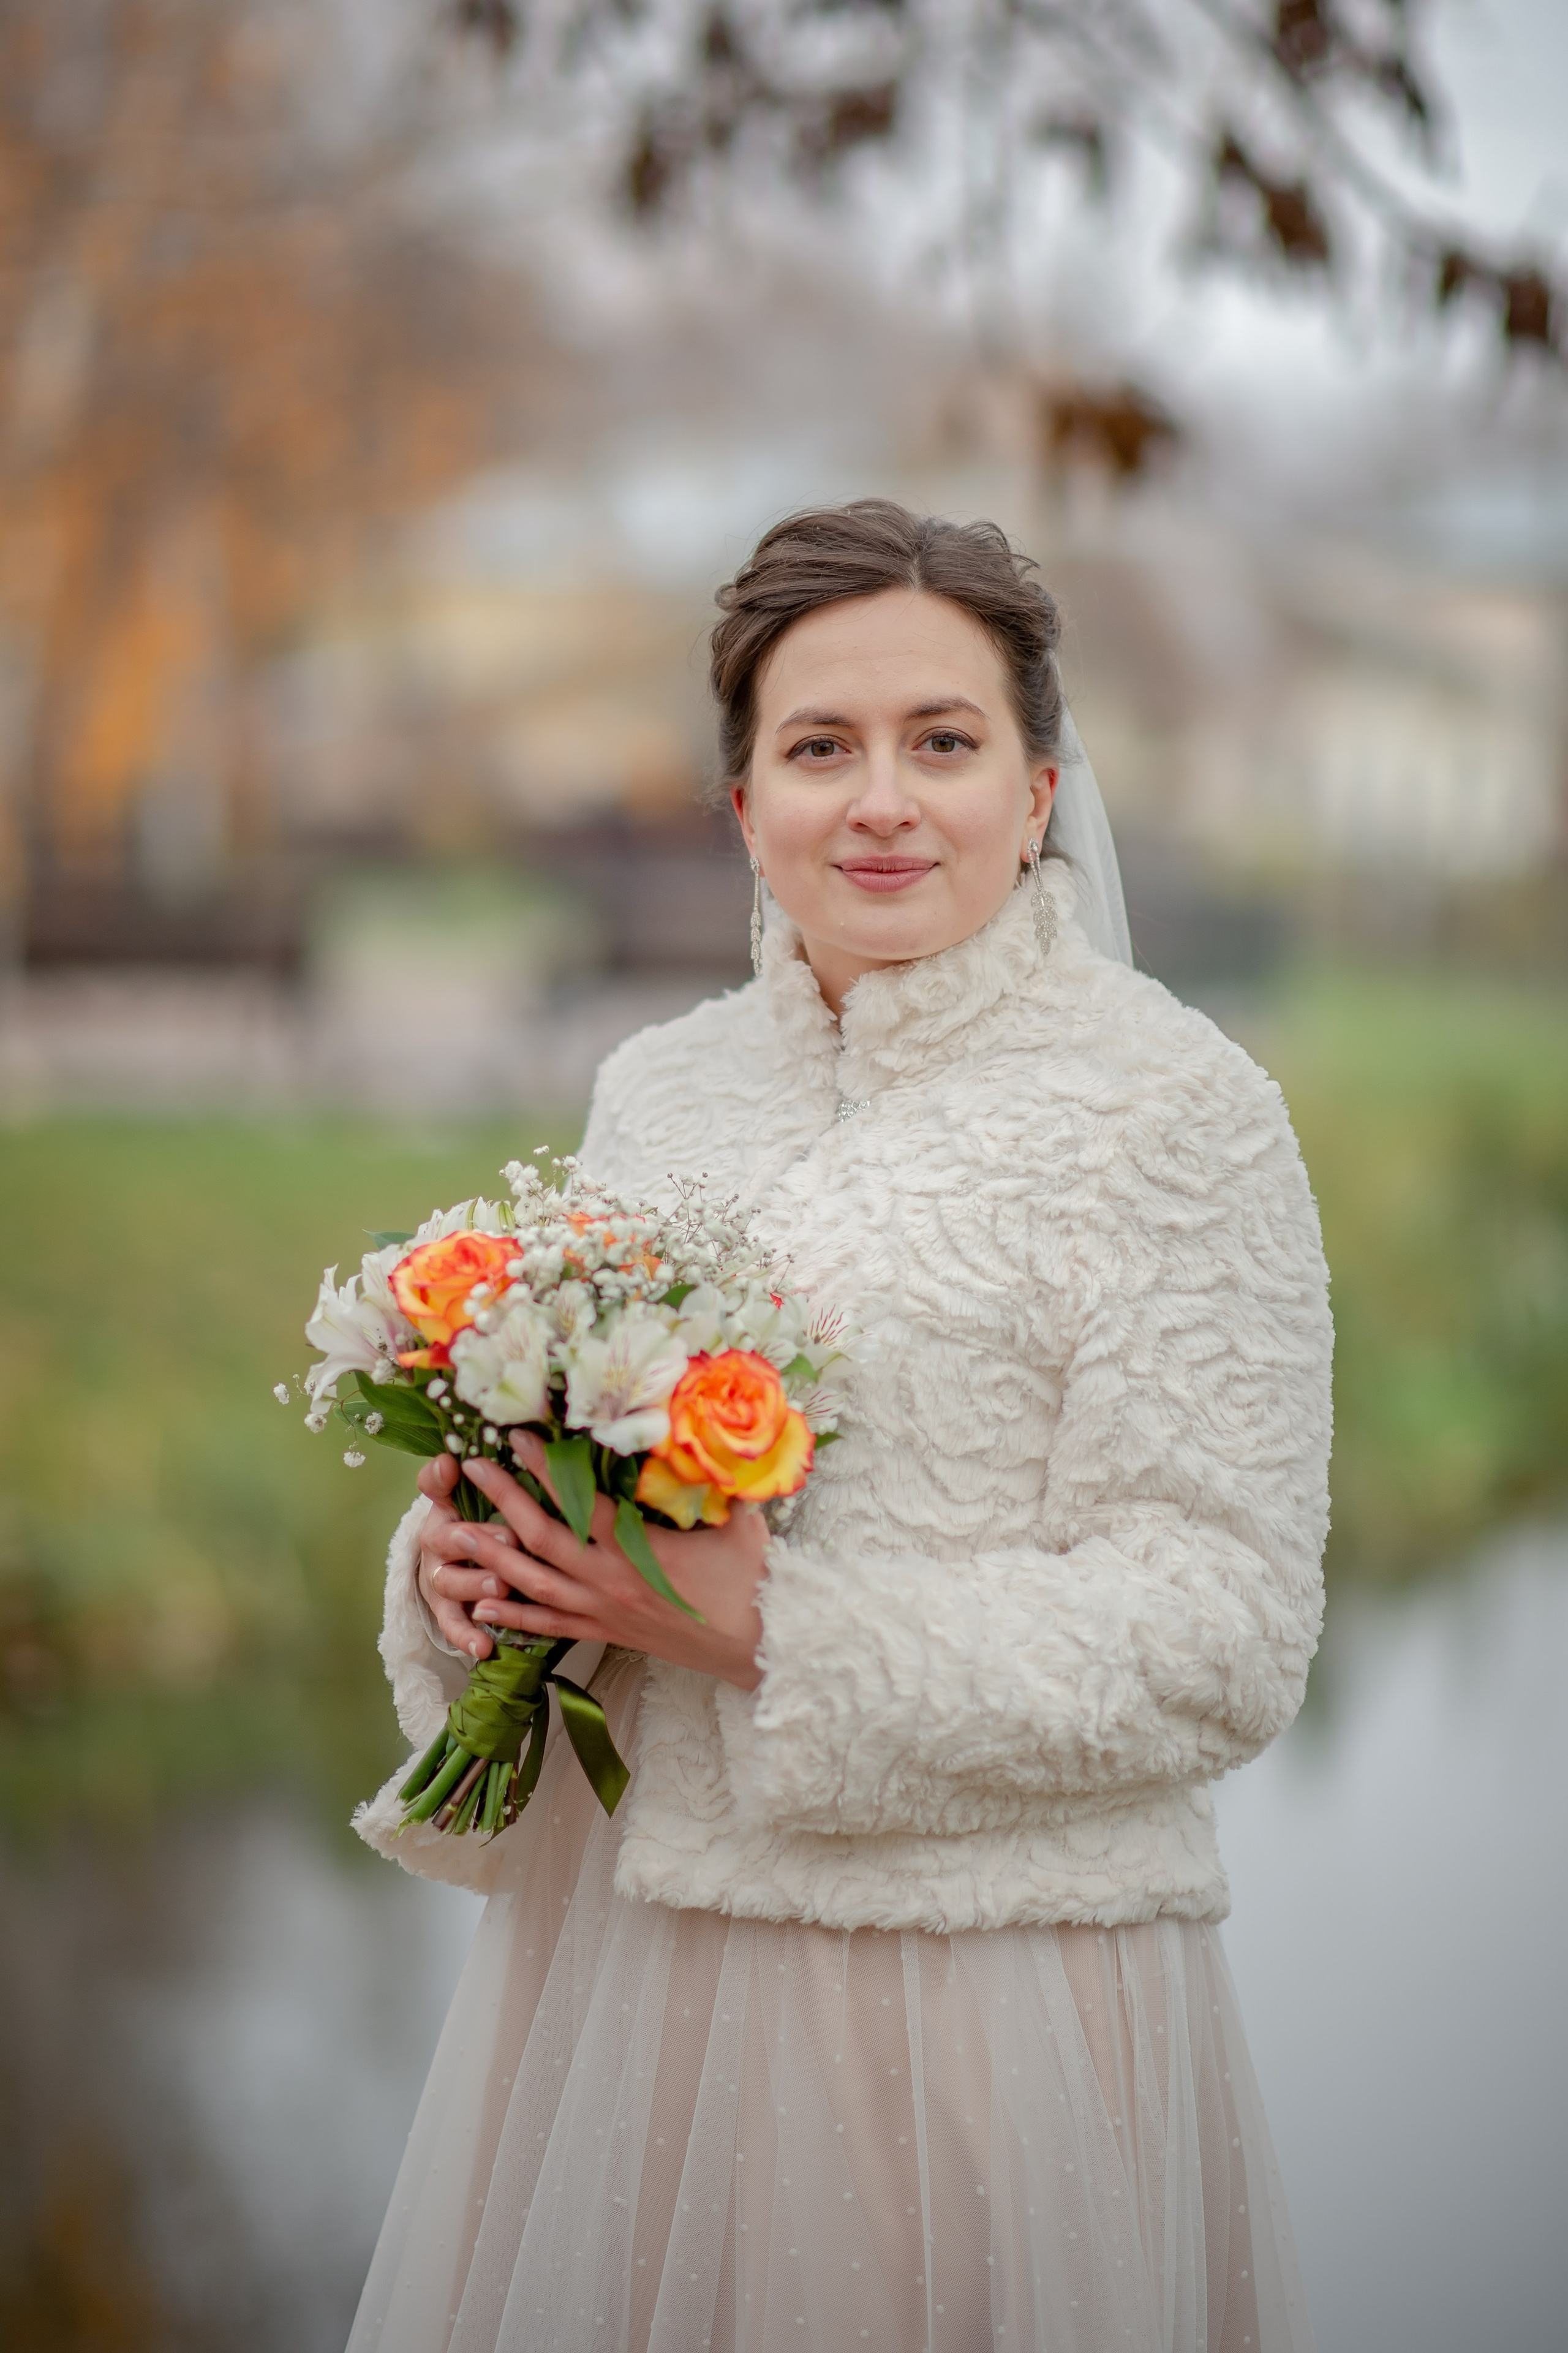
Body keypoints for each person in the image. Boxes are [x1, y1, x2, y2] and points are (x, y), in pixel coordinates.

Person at [347, 500, 1332, 2353]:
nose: (882, 799)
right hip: (625, 1993)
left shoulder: (1180, 1111)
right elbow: (608, 1482)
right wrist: (490, 1568)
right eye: (820, 748)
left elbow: (1227, 1631)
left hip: (984, 2005)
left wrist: (770, 1632)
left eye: (941, 742)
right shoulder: (661, 1091)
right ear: (745, 804)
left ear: (1040, 787)